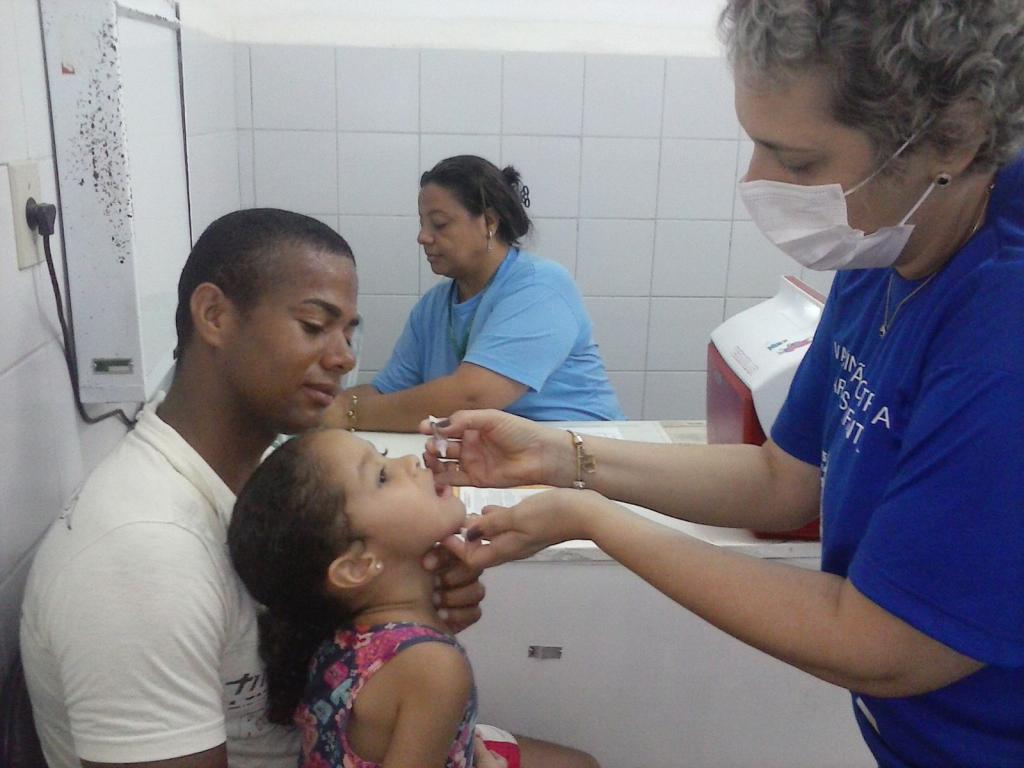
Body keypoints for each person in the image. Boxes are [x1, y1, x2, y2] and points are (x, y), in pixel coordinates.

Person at [420, 3, 1024, 766]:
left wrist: (592, 520)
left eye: (797, 163)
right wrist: (560, 456)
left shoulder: (1001, 327)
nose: (757, 183)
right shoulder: (890, 242)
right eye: (755, 144)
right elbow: (782, 481)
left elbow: (881, 642)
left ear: (952, 140)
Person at [18, 209, 584, 768]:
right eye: (314, 326)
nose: (344, 359)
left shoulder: (272, 474)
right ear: (215, 315)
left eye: (348, 332)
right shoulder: (140, 555)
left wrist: (410, 599)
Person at [228, 429, 528, 767]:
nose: (410, 461)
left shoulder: (341, 634)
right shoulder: (433, 667)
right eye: (382, 477)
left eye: (384, 455)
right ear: (356, 566)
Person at [324, 155, 623, 432]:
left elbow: (473, 396)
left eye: (439, 224)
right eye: (422, 224)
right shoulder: (433, 306)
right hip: (495, 457)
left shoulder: (542, 287)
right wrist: (322, 409)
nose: (423, 237)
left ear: (489, 222)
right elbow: (387, 392)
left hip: (582, 453)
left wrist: (348, 414)